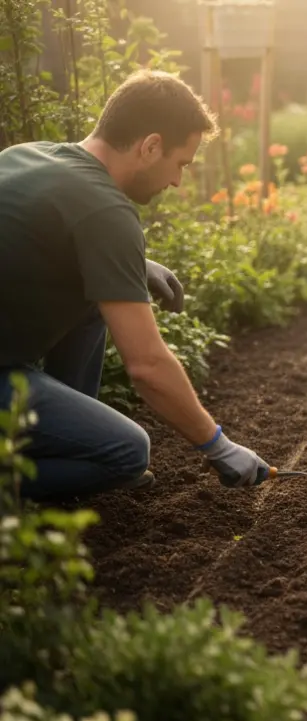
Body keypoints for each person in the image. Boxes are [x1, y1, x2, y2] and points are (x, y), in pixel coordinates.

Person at [0, 69, 273, 502]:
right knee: (128, 452)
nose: (178, 181)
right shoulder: (106, 211)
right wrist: (217, 445)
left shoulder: (27, 155)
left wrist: (131, 264)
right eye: (180, 164)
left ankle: (57, 438)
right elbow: (146, 367)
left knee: (94, 304)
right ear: (150, 146)